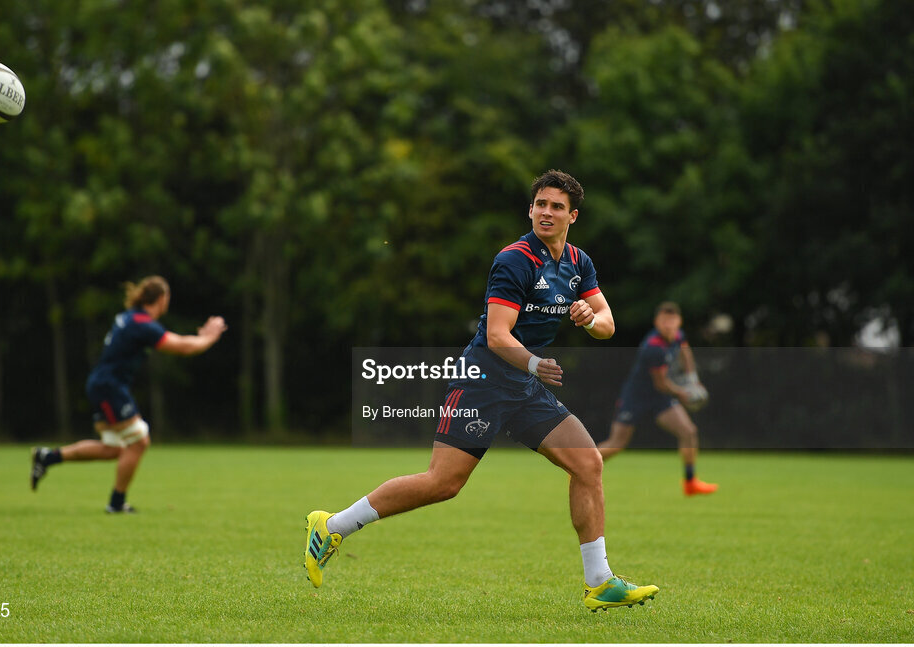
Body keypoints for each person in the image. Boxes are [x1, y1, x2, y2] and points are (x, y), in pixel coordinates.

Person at [305, 170, 658, 612]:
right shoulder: (514, 260)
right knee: (443, 483)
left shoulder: (577, 263)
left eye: (556, 207)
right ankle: (332, 525)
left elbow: (608, 323)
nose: (546, 212)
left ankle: (600, 581)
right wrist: (534, 363)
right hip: (483, 382)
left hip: (524, 386)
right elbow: (496, 335)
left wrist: (590, 318)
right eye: (540, 205)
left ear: (574, 216)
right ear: (530, 210)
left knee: (588, 463)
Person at [30, 276, 226, 513]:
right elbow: (182, 347)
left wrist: (201, 339)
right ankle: (116, 503)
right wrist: (209, 338)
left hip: (102, 384)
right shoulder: (142, 324)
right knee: (139, 440)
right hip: (109, 387)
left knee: (113, 448)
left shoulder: (131, 318)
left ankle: (46, 458)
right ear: (162, 299)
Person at [598, 301, 718, 496]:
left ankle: (690, 482)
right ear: (656, 322)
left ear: (679, 321)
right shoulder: (653, 347)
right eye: (664, 320)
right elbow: (661, 384)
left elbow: (685, 352)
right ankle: (580, 466)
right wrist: (685, 393)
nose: (668, 324)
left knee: (688, 431)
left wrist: (692, 380)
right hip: (636, 397)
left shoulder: (678, 336)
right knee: (616, 444)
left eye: (672, 320)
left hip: (661, 397)